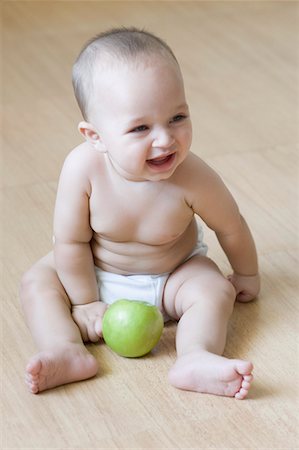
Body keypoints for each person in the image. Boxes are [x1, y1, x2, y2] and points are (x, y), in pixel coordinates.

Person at [21, 27, 260, 398]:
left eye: (178, 117)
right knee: (38, 281)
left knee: (213, 289)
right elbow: (70, 241)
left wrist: (246, 273)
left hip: (172, 277)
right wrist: (84, 301)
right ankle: (65, 349)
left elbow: (231, 227)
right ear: (95, 136)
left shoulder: (194, 177)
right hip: (95, 273)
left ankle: (196, 356)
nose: (165, 139)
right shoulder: (82, 169)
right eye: (140, 127)